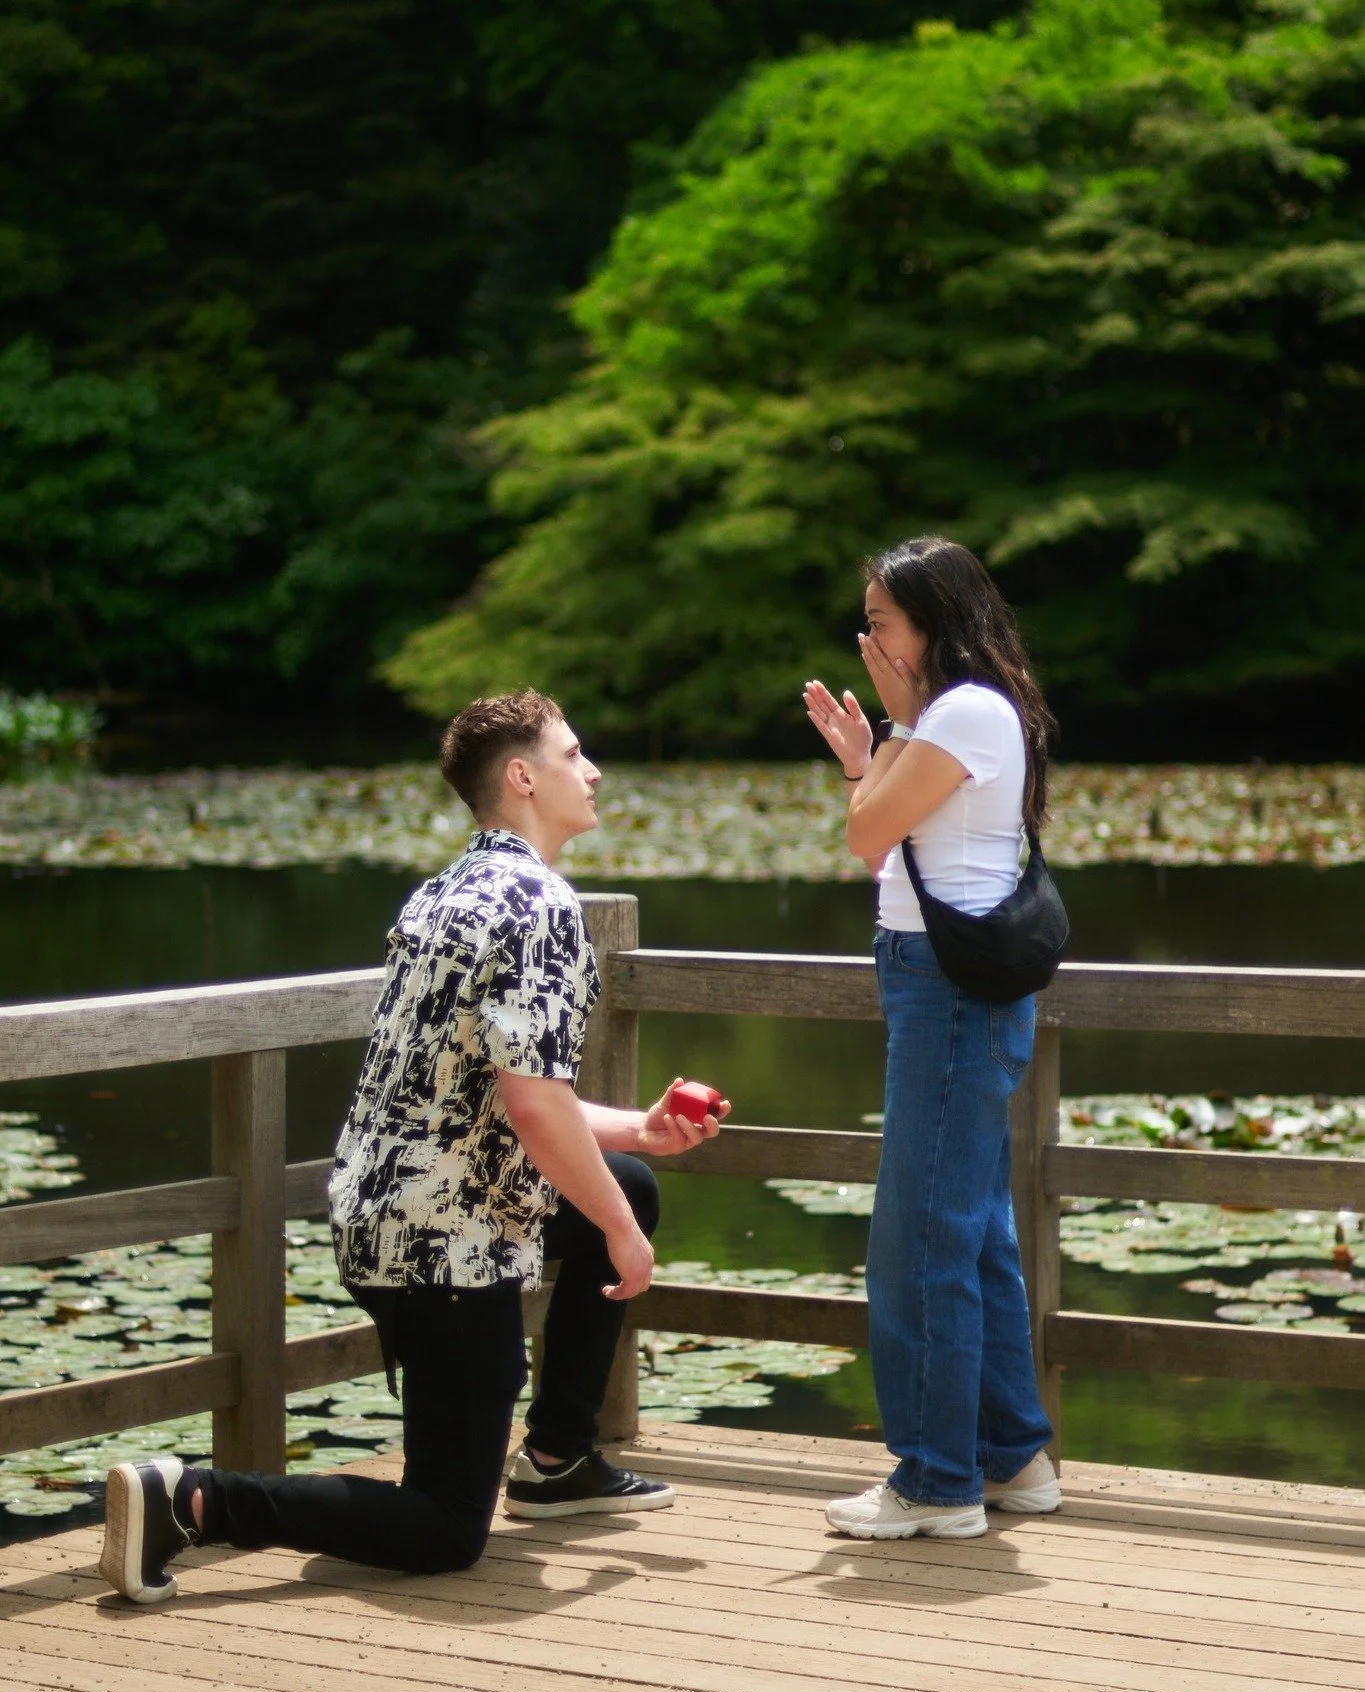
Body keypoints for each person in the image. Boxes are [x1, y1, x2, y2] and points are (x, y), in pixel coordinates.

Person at [99, 689, 729, 1604]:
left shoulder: (442, 893)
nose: (592, 771)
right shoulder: (543, 908)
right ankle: (196, 1500)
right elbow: (535, 1109)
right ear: (521, 778)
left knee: (624, 1180)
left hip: (377, 1218)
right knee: (439, 1529)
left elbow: (499, 1094)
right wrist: (622, 1235)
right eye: (572, 754)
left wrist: (637, 1133)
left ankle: (555, 1459)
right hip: (448, 1248)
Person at [803, 537, 1061, 1540]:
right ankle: (1011, 1456)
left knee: (917, 1238)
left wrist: (887, 744)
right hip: (946, 985)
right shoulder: (971, 709)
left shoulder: (957, 709)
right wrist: (872, 760)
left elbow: (867, 836)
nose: (868, 636)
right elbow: (899, 846)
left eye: (881, 618)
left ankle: (938, 1477)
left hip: (947, 993)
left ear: (932, 619)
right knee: (975, 1229)